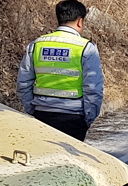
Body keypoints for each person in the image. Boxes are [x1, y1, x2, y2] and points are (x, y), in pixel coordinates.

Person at [16, 0, 104, 141]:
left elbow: (23, 82)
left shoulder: (37, 44)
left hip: (42, 114)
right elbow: (93, 88)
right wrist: (88, 118)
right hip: (73, 118)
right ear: (80, 22)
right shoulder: (86, 48)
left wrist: (32, 109)